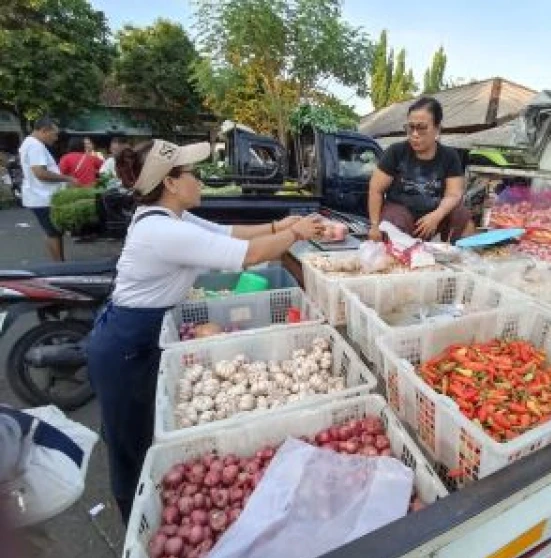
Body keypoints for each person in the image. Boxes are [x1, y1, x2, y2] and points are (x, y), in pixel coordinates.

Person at [86, 139, 323, 522]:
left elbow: (229, 234)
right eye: (194, 174)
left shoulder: (170, 217)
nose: (201, 181)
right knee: (131, 446)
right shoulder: (162, 231)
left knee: (146, 430)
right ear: (172, 183)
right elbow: (253, 255)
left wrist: (283, 224)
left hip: (143, 332)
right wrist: (298, 234)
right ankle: (137, 523)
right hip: (126, 344)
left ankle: (154, 509)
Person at [368, 97, 476, 243]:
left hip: (435, 215)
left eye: (421, 127)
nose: (415, 134)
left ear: (437, 129)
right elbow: (376, 190)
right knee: (393, 221)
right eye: (410, 127)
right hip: (401, 213)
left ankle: (463, 258)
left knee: (462, 216)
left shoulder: (450, 156)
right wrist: (374, 225)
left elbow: (454, 194)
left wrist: (437, 215)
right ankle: (398, 259)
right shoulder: (395, 152)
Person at [18, 117, 76, 262]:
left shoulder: (30, 143)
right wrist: (67, 179)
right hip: (42, 197)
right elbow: (40, 173)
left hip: (38, 196)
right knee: (54, 233)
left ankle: (58, 263)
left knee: (51, 232)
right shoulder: (35, 146)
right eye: (54, 134)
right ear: (44, 131)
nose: (56, 138)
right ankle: (59, 266)